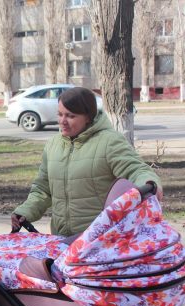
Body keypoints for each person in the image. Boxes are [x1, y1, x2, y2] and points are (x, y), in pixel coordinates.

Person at [11, 87, 163, 236]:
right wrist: (25, 212)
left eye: (70, 116)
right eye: (60, 114)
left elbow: (136, 169)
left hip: (98, 240)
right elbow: (43, 189)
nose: (62, 121)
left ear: (88, 117)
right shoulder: (53, 145)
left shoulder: (109, 142)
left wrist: (150, 184)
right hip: (61, 239)